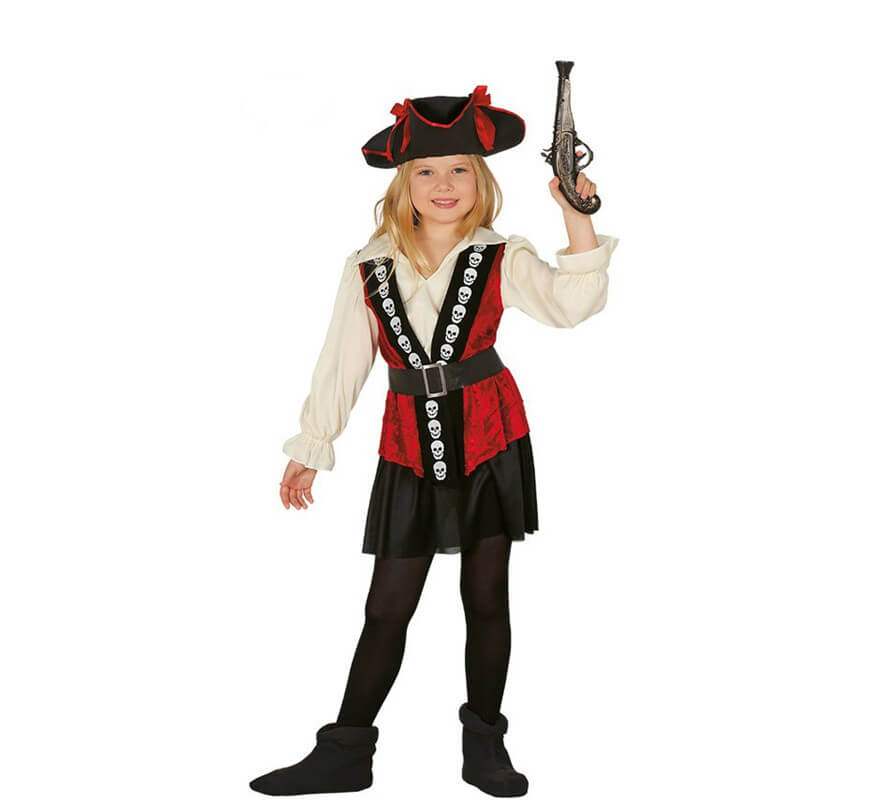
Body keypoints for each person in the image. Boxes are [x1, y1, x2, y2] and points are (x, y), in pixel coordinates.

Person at [250, 84, 620, 797]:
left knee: (486, 597)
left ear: (480, 181)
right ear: (404, 183)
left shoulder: (500, 255)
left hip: (488, 437)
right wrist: (311, 445)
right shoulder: (369, 264)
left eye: (458, 170)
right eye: (426, 171)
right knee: (386, 606)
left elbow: (572, 305)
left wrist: (576, 216)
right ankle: (345, 753)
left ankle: (484, 745)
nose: (443, 184)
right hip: (406, 447)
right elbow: (343, 360)